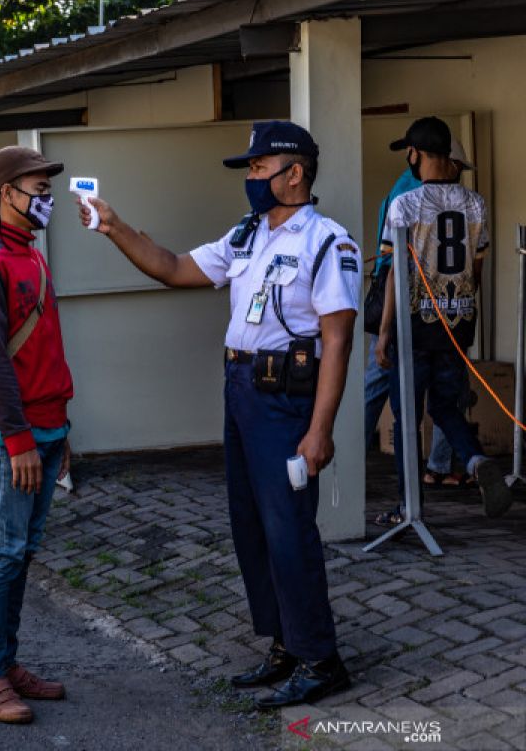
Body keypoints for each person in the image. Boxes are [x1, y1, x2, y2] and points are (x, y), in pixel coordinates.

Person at [79, 121, 357, 709]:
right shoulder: (247, 236)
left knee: (288, 529)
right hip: (241, 391)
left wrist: (320, 429)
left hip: (286, 399)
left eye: (258, 168)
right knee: (251, 526)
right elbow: (173, 267)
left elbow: (337, 340)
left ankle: (320, 658)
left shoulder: (329, 243)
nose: (251, 179)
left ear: (294, 172)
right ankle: (284, 644)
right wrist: (114, 227)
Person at [0, 147, 73, 724]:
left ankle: (5, 664)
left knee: (22, 553)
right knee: (3, 555)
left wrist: (58, 431)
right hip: (13, 437)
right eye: (37, 188)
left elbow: (44, 350)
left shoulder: (32, 254)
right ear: (5, 191)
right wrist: (20, 438)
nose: (46, 200)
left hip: (48, 429)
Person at [375, 117, 513, 520]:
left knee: (407, 420)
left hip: (414, 328)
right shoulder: (475, 204)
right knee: (447, 408)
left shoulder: (405, 204)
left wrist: (384, 333)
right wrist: (464, 314)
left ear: (415, 154)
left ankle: (407, 507)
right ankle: (474, 460)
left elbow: (395, 277)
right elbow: (477, 269)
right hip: (457, 326)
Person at [364, 139, 474, 455]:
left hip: (405, 299)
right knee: (440, 397)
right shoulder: (424, 195)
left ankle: (416, 481)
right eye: (459, 167)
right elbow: (404, 264)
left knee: (385, 388)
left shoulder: (404, 189)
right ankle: (444, 465)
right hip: (417, 303)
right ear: (446, 161)